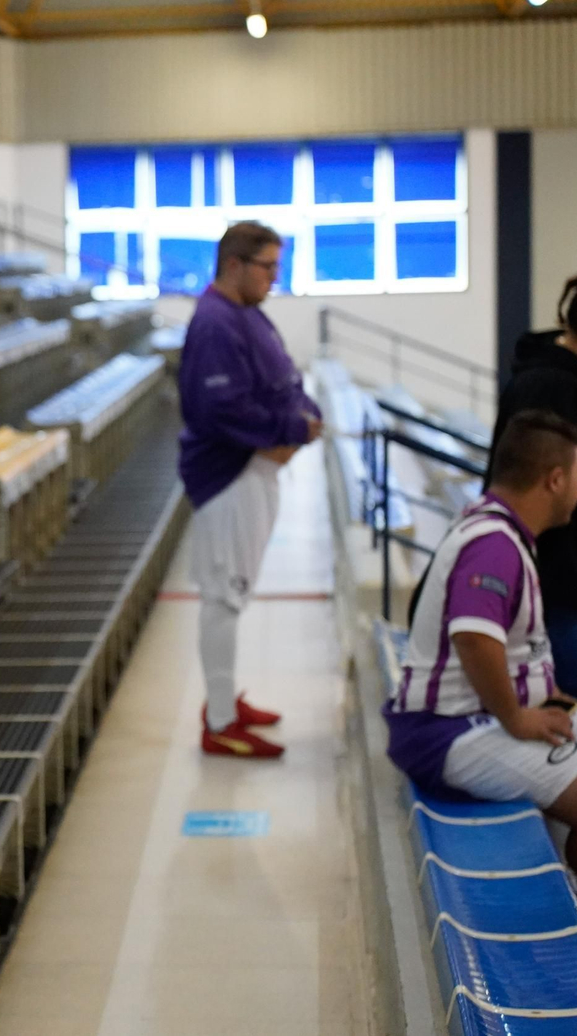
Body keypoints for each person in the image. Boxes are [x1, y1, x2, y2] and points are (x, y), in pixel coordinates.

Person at [385, 410, 577, 877]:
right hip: (450, 729)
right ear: (555, 479)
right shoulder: (494, 545)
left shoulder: (501, 532)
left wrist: (537, 698)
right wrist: (516, 716)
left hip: (476, 714)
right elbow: (473, 637)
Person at [177, 221, 324, 759]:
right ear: (235, 264)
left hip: (255, 472)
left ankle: (224, 700)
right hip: (229, 476)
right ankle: (218, 720)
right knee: (224, 596)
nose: (274, 279)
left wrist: (306, 416)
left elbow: (282, 379)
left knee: (232, 593)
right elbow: (221, 410)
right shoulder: (216, 322)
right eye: (268, 268)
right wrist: (289, 431)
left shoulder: (245, 313)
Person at [487, 276, 577, 708]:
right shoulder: (550, 387)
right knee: (574, 692)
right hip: (547, 572)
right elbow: (542, 486)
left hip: (565, 573)